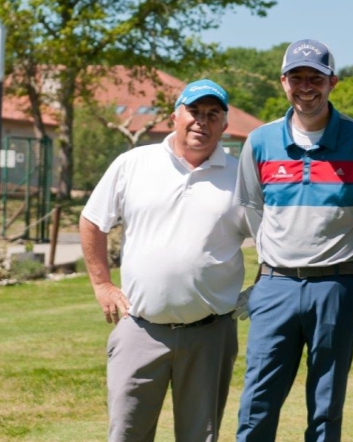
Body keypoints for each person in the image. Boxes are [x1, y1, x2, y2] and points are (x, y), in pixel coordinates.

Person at [235, 39, 353, 441]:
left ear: (332, 82)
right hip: (275, 286)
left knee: (326, 405)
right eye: (297, 77)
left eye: (315, 78)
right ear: (283, 82)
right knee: (258, 402)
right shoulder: (260, 141)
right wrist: (276, 251)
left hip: (338, 286)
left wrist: (352, 252)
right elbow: (251, 207)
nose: (306, 87)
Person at [79, 79, 249, 442]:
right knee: (127, 435)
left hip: (211, 334)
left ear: (224, 124)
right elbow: (93, 220)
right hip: (140, 329)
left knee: (198, 437)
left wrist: (263, 286)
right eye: (194, 112)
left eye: (212, 114)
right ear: (175, 116)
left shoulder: (242, 177)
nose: (201, 122)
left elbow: (272, 236)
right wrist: (102, 284)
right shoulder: (134, 163)